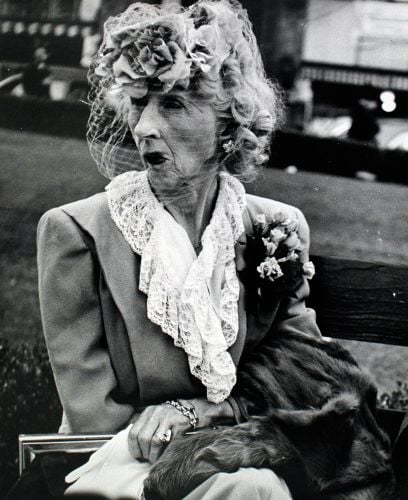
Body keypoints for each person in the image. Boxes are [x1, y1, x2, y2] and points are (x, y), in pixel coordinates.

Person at [34, 1, 324, 498]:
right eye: (139, 103)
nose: (145, 126)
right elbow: (93, 413)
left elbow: (302, 377)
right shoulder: (75, 233)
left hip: (241, 451)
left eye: (172, 104)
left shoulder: (275, 227)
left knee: (251, 485)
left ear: (228, 124)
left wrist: (206, 412)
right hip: (116, 461)